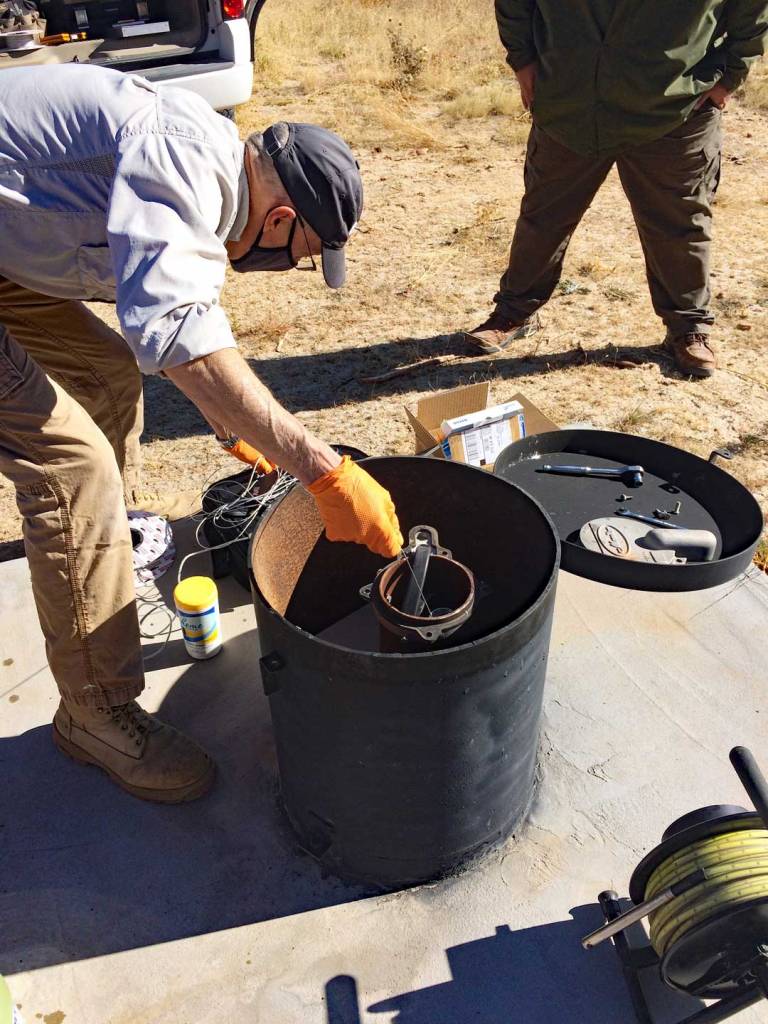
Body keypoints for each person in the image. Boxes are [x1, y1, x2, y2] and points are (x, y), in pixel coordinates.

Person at [0, 64, 403, 803]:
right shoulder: (181, 160)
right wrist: (323, 470)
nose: (287, 267)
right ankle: (94, 713)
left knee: (105, 375)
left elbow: (169, 314)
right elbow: (180, 334)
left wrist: (229, 423)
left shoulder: (207, 171)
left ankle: (96, 553)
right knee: (71, 467)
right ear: (280, 220)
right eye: (302, 257)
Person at [465, 0, 768, 378]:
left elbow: (751, 11)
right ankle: (513, 313)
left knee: (680, 224)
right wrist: (522, 59)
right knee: (543, 217)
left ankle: (688, 327)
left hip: (673, 109)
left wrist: (730, 77)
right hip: (570, 103)